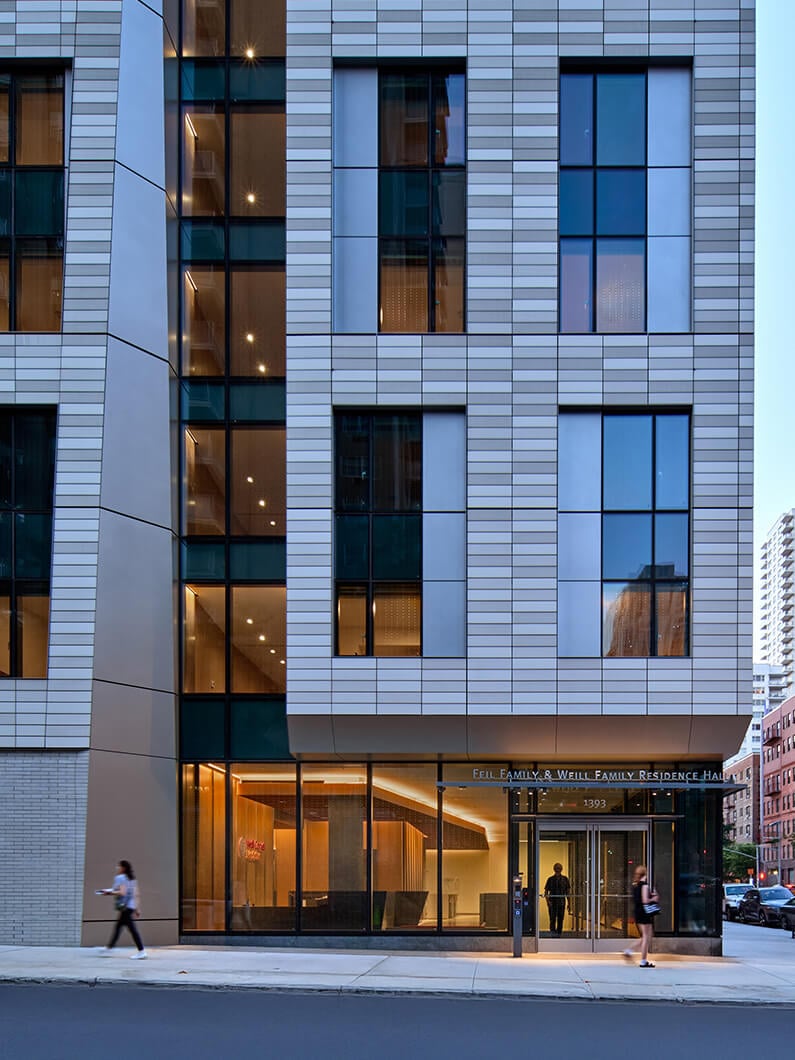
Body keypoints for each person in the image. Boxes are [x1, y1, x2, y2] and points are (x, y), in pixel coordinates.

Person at [98, 860, 147, 959]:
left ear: (123, 868)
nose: (117, 868)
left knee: (132, 929)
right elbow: (136, 894)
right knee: (119, 926)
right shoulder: (132, 879)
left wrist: (108, 893)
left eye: (118, 866)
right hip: (130, 906)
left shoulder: (120, 878)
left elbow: (122, 892)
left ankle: (141, 951)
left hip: (125, 906)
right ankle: (109, 948)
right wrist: (137, 908)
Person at [623, 864, 657, 967]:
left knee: (646, 936)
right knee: (646, 937)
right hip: (644, 912)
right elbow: (645, 901)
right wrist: (653, 899)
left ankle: (629, 950)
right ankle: (643, 960)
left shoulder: (636, 885)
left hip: (638, 912)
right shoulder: (644, 885)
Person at [544, 862, 571, 935]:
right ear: (554, 869)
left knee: (560, 919)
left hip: (561, 902)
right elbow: (546, 892)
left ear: (561, 869)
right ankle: (552, 933)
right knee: (552, 919)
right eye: (556, 868)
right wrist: (548, 902)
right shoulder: (550, 879)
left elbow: (567, 892)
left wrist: (569, 903)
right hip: (552, 902)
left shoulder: (565, 879)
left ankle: (559, 933)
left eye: (559, 868)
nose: (558, 869)